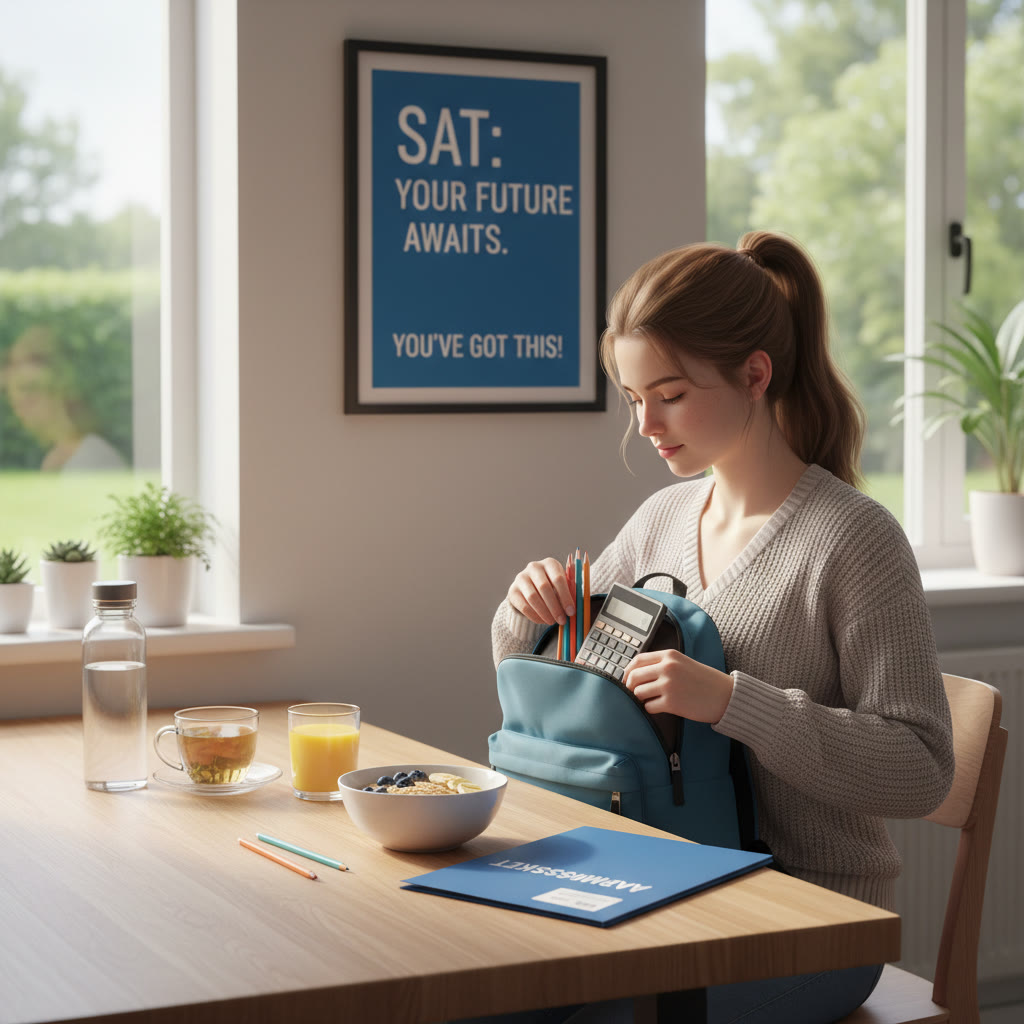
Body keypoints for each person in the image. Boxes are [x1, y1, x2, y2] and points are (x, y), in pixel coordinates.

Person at [489, 231, 955, 1024]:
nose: (646, 424)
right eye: (635, 399)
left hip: (811, 921)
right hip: (660, 885)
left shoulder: (856, 540)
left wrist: (733, 702)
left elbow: (921, 767)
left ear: (756, 373)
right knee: (484, 982)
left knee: (575, 1008)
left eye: (668, 394)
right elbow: (550, 674)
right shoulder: (662, 517)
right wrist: (526, 609)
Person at [1, 324, 126, 471]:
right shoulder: (56, 458)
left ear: (61, 387)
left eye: (29, 388)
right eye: (11, 393)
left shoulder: (94, 458)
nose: (19, 403)